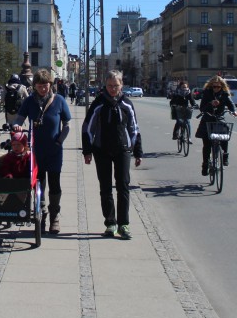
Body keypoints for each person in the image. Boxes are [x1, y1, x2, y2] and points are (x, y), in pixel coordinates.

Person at [81, 70, 143, 240]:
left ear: (121, 85)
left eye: (116, 86)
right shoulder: (99, 103)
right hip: (102, 150)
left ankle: (124, 224)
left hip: (122, 150)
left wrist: (137, 151)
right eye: (110, 86)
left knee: (123, 186)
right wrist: (87, 151)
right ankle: (110, 223)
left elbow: (134, 129)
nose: (113, 89)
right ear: (105, 85)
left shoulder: (127, 104)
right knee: (105, 188)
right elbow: (87, 128)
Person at [11, 68, 72, 234]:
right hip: (36, 150)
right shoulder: (30, 101)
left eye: (45, 85)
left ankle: (54, 217)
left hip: (54, 150)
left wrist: (60, 141)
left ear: (50, 84)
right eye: (39, 85)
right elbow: (20, 118)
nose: (43, 88)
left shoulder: (59, 100)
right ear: (35, 86)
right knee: (38, 184)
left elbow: (67, 124)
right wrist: (17, 125)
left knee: (55, 184)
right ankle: (41, 214)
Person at [196, 76, 237, 176]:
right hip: (207, 119)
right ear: (211, 86)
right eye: (214, 86)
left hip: (219, 119)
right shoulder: (207, 93)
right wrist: (210, 103)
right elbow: (202, 108)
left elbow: (231, 104)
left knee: (225, 135)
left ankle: (225, 155)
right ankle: (205, 165)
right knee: (207, 145)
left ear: (222, 86)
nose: (216, 88)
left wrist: (233, 111)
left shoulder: (224, 94)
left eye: (218, 87)